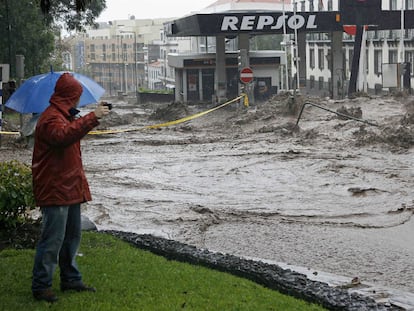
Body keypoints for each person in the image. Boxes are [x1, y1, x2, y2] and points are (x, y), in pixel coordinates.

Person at [31, 72, 110, 303]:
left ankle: (71, 279)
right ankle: (41, 285)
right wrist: (91, 118)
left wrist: (86, 118)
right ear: (69, 96)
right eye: (76, 96)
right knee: (52, 239)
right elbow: (62, 137)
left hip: (69, 186)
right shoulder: (50, 119)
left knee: (71, 237)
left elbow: (69, 133)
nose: (78, 100)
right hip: (56, 189)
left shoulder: (63, 116)